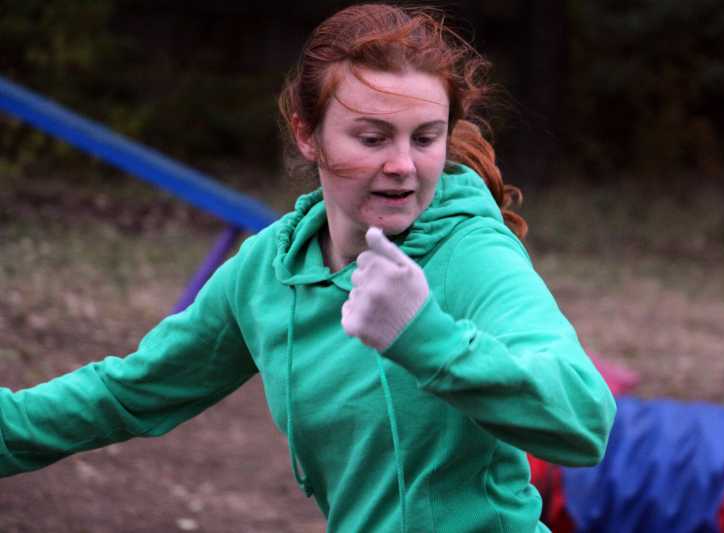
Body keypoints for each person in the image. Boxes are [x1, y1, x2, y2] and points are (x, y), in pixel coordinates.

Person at [0, 4, 616, 532]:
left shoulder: (471, 253)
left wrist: (424, 335)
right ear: (307, 134)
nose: (403, 165)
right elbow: (127, 393)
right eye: (372, 138)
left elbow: (584, 420)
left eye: (425, 138)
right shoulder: (268, 270)